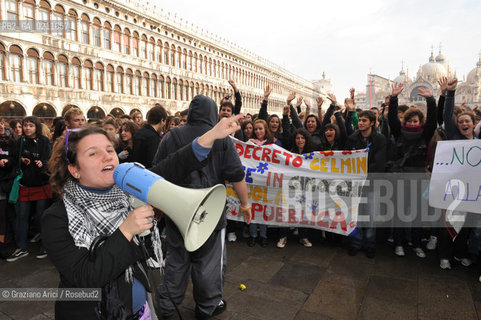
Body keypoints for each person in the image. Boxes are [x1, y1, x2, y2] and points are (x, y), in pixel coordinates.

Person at [42, 115, 246, 320]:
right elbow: (86, 277)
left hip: (141, 312)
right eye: (93, 153)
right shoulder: (58, 218)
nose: (107, 157)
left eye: (110, 150)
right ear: (74, 169)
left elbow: (173, 165)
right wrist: (126, 231)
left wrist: (212, 135)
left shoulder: (128, 189)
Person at [152, 95, 251, 320]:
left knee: (177, 261)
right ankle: (207, 306)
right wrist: (245, 205)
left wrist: (158, 206)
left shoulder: (171, 136)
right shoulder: (222, 138)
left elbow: (158, 172)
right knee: (209, 265)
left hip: (177, 214)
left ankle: (167, 307)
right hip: (211, 215)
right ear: (212, 113)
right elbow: (237, 176)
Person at [388, 82, 437, 259]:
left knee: (416, 213)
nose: (412, 123)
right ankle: (399, 243)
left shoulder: (425, 134)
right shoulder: (399, 133)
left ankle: (416, 244)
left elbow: (433, 119)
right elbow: (392, 120)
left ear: (420, 122)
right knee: (401, 211)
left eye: (415, 121)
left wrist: (431, 100)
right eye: (409, 120)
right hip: (401, 177)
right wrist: (393, 98)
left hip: (418, 176)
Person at [7, 116, 52, 262]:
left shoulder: (44, 141)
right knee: (22, 217)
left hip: (42, 184)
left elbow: (50, 160)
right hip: (25, 185)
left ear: (36, 127)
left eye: (30, 125)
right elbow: (13, 159)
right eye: (25, 125)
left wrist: (43, 163)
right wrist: (19, 160)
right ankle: (22, 248)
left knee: (41, 217)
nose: (27, 128)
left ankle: (45, 246)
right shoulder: (20, 141)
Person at [344, 111, 387, 259]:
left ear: (372, 123)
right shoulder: (352, 139)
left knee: (371, 216)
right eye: (359, 120)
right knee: (355, 215)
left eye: (364, 120)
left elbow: (380, 163)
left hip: (372, 184)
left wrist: (362, 171)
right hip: (355, 184)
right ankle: (355, 244)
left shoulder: (380, 140)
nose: (360, 123)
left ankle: (369, 245)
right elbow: (347, 160)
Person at [277, 128, 313, 248]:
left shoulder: (313, 154)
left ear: (306, 139)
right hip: (291, 187)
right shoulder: (290, 152)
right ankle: (283, 236)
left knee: (303, 211)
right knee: (288, 211)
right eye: (297, 138)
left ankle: (303, 237)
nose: (300, 140)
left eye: (302, 138)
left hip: (306, 188)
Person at [0, 118, 16, 258]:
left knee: (3, 217)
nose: (1, 126)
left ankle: (3, 246)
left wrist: (7, 161)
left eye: (1, 123)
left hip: (4, 184)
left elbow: (14, 159)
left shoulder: (10, 142)